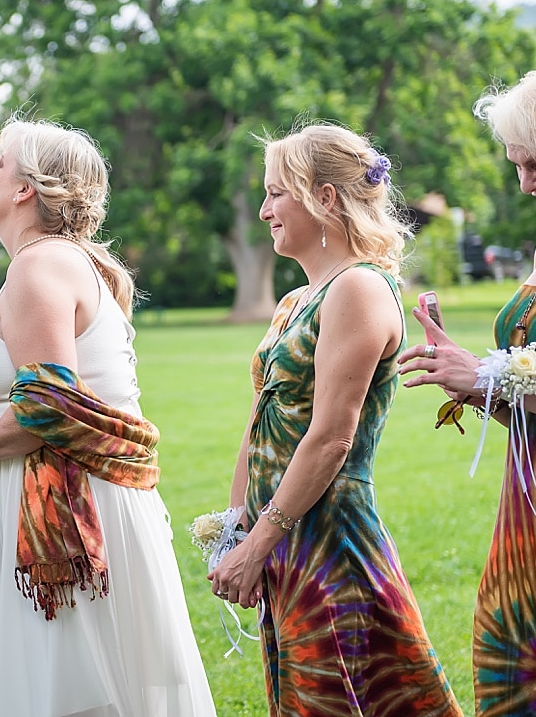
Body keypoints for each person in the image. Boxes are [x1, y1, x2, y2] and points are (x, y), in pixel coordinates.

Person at [0, 118, 218, 716]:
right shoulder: (47, 264)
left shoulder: (40, 267)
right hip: (50, 493)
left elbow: (49, 403)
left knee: (76, 688)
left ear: (24, 190)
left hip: (66, 508)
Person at [207, 124, 463, 715]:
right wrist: (236, 527)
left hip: (332, 541)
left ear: (324, 199)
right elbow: (259, 423)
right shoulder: (296, 300)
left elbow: (330, 438)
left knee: (353, 695)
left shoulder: (361, 289)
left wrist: (260, 539)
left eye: (277, 193)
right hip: (286, 532)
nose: (265, 209)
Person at [400, 57, 536, 716]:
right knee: (515, 683)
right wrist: (475, 382)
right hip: (529, 522)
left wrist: (492, 374)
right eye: (516, 163)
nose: (524, 181)